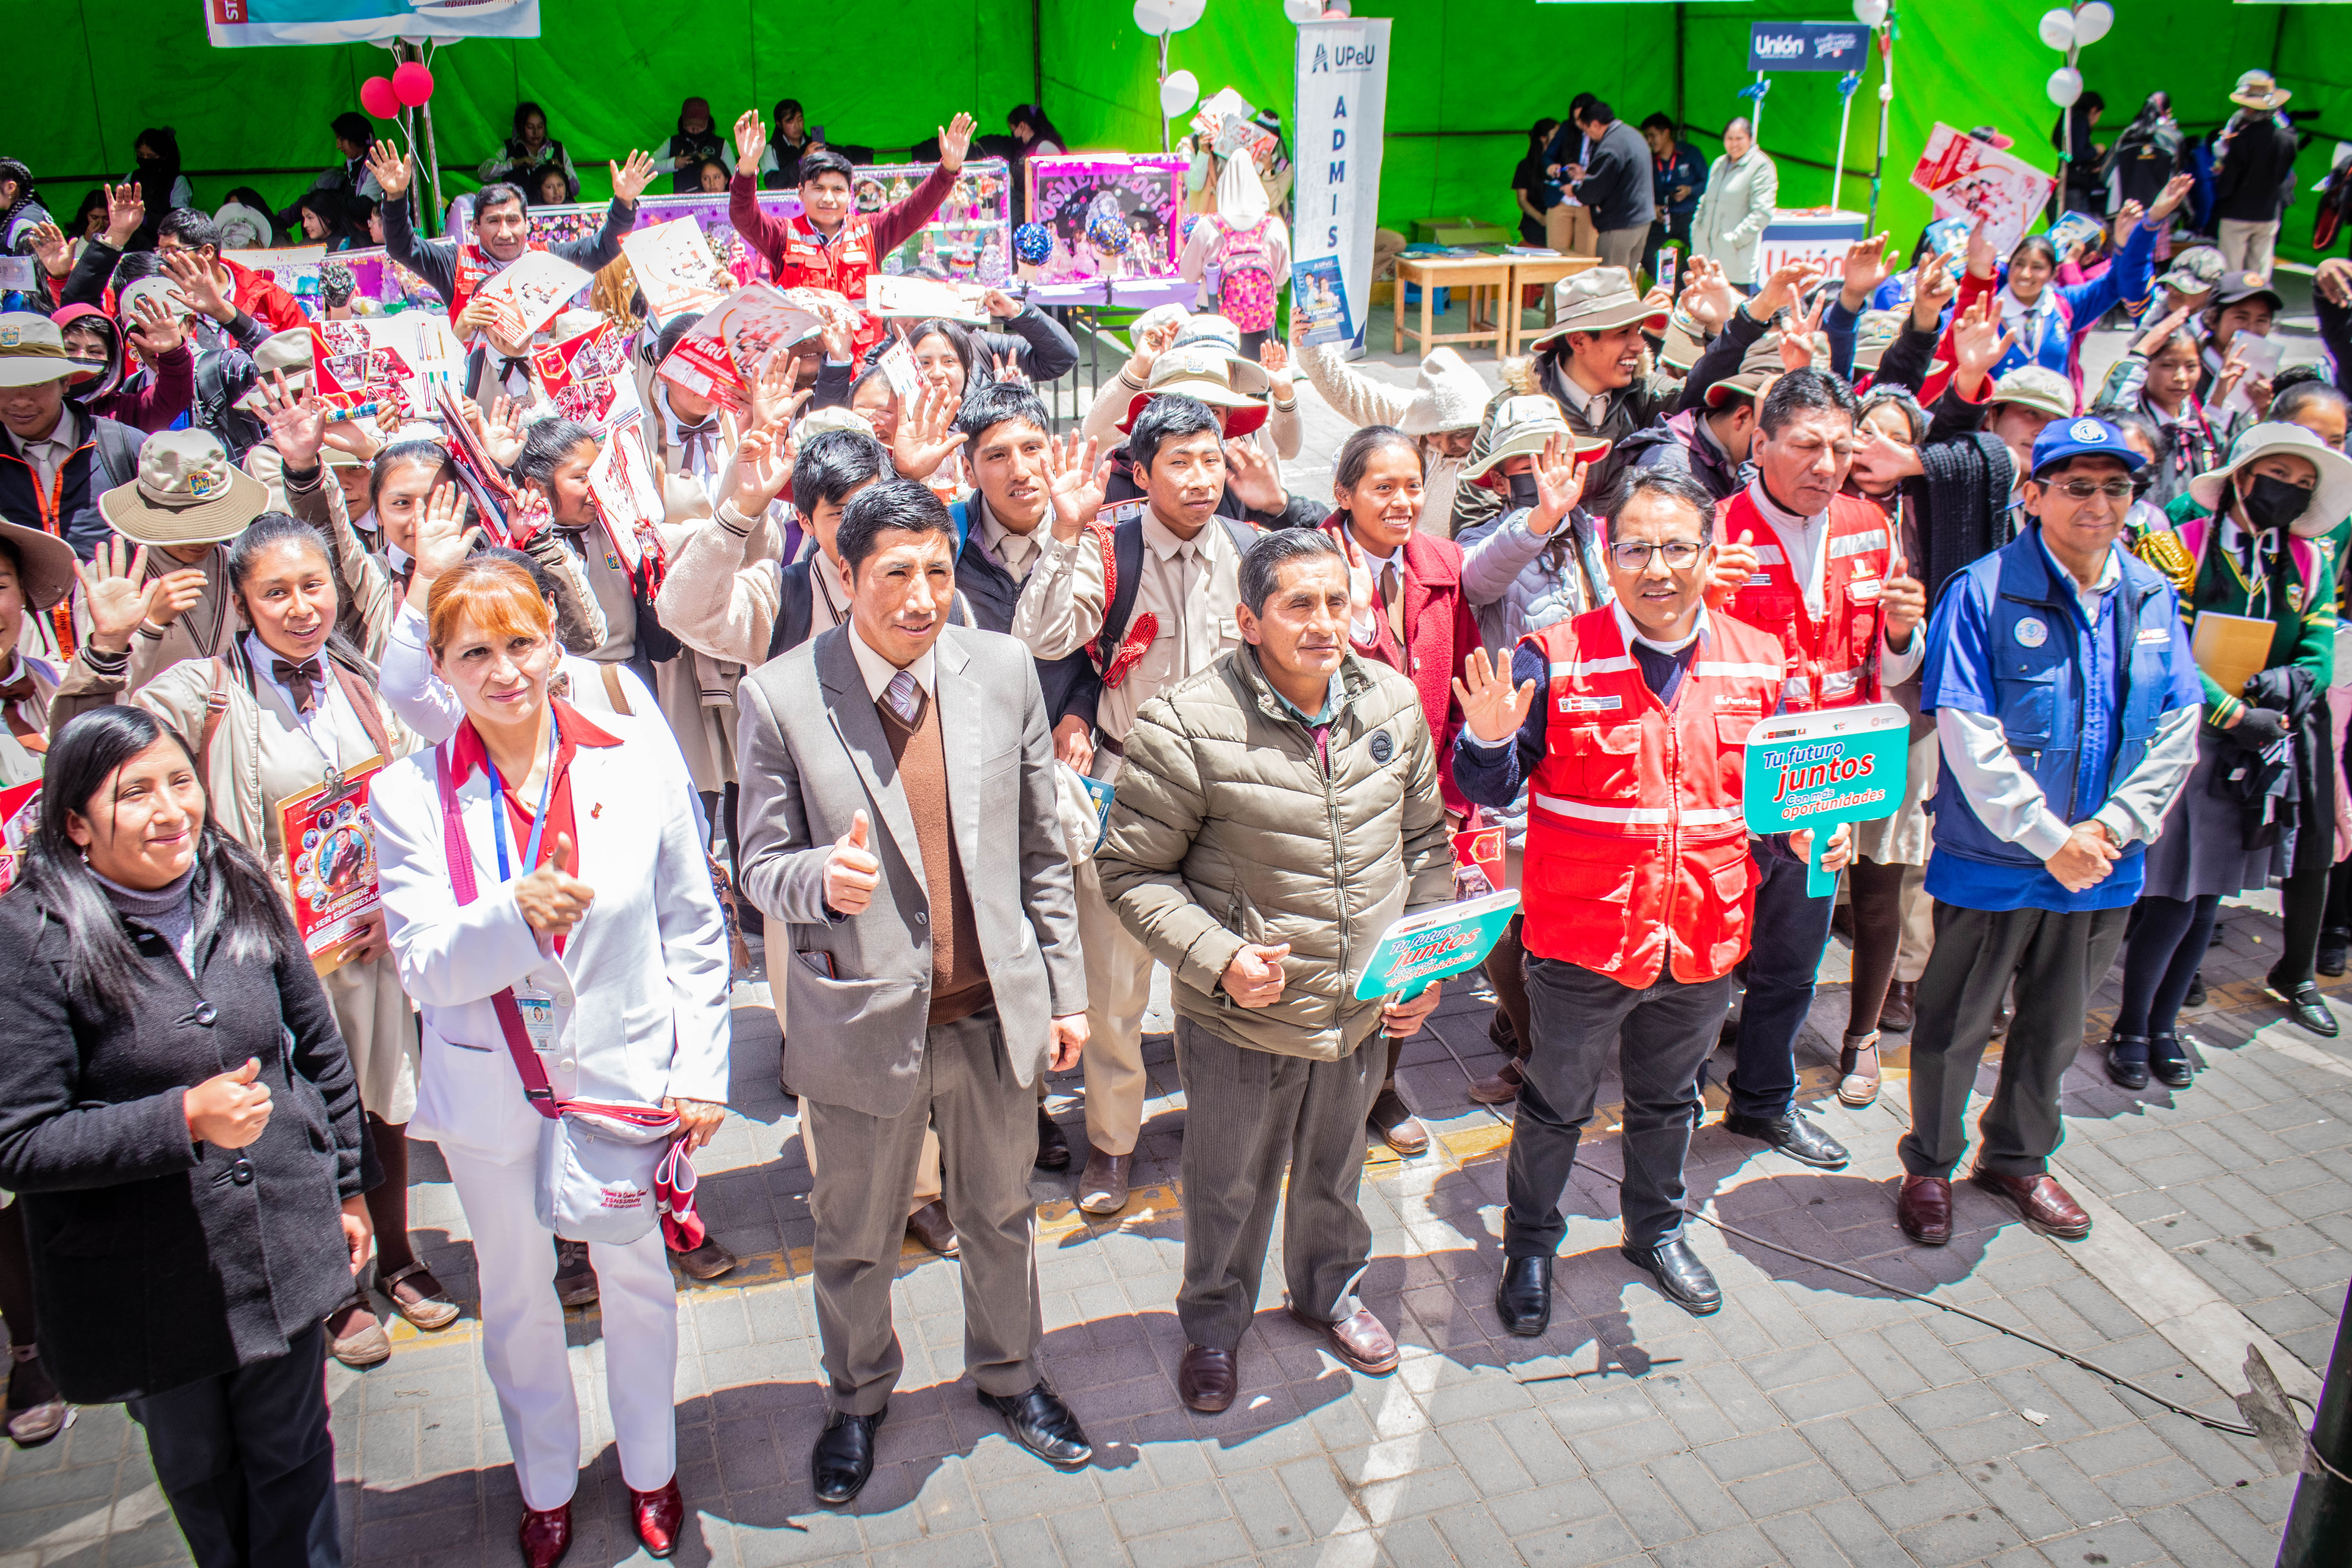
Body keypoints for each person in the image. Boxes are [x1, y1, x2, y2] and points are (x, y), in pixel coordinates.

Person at [61, 427, 459, 1370]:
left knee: (383, 1103)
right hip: (266, 951)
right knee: (296, 1114)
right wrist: (108, 650)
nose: (301, 608)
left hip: (369, 941)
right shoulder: (200, 692)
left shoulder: (361, 680)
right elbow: (85, 745)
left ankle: (397, 1255)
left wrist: (398, 900)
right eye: (275, 592)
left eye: (312, 586)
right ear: (240, 600)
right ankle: (329, 1288)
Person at [735, 479, 1093, 1502]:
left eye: (939, 569)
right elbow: (758, 865)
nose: (924, 594)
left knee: (1002, 1214)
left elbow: (1038, 850)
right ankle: (856, 1398)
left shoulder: (1002, 668)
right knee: (855, 1234)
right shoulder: (783, 697)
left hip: (989, 1014)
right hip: (859, 1022)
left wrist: (1066, 993)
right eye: (897, 571)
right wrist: (818, 880)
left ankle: (1011, 1375)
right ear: (844, 574)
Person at [368, 555, 725, 1563]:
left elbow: (692, 920)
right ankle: (546, 1481)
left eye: (521, 641)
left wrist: (700, 1064)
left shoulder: (628, 752)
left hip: (620, 1078)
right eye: (475, 651)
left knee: (637, 1275)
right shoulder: (407, 794)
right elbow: (428, 967)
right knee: (518, 1294)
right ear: (439, 666)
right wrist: (511, 916)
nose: (505, 669)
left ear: (554, 642)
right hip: (491, 1091)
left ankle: (652, 1469)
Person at [1453, 464, 1847, 1324]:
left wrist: (1819, 831)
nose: (1657, 567)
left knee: (1673, 1098)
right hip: (1582, 939)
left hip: (1704, 934)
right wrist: (1484, 746)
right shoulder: (1551, 655)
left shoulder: (1762, 660)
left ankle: (1655, 1229)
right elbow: (1489, 785)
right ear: (1608, 549)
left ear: (1711, 553)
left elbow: (1784, 808)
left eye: (1677, 547)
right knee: (1555, 1105)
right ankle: (1529, 1244)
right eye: (1636, 547)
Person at [0, 705, 371, 1564]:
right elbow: (20, 1139)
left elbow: (316, 1045)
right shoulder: (31, 936)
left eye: (180, 781)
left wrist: (348, 1184)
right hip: (147, 1282)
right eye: (135, 793)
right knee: (202, 1472)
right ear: (75, 823)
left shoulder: (234, 879)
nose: (172, 809)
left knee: (295, 1459)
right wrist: (180, 1121)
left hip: (280, 1241)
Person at [1098, 527, 1450, 1407]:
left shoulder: (1395, 705)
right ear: (1249, 621)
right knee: (1227, 1186)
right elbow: (1129, 870)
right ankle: (1215, 1328)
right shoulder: (1183, 723)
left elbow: (1427, 846)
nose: (1324, 622)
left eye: (1337, 602)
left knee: (1336, 1171)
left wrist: (1424, 960)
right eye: (1299, 604)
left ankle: (1328, 1292)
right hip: (1238, 1021)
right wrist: (1220, 957)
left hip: (1361, 1007)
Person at [1897, 417, 2201, 1247]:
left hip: (2101, 863)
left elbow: (2179, 724)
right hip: (1995, 862)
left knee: (2056, 1027)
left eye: (2115, 486)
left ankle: (2019, 1157)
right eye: (2077, 485)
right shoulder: (1983, 589)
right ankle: (1929, 1161)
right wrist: (2046, 836)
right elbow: (1967, 730)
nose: (2098, 503)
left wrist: (2109, 828)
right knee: (1954, 1024)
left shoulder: (2151, 594)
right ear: (2032, 497)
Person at [1008, 396, 1261, 1216]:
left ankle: (1221, 1131)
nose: (1200, 478)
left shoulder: (1254, 553)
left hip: (1228, 803)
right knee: (1117, 989)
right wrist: (1066, 533)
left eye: (1211, 460)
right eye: (1179, 462)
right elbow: (1045, 637)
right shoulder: (1108, 546)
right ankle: (1112, 1146)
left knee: (1223, 979)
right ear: (1143, 472)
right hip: (1127, 797)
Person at [1702, 370, 1927, 1165]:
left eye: (1841, 446)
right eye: (1806, 445)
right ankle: (1684, 1085)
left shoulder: (1874, 524)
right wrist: (1694, 603)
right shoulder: (1714, 532)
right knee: (1707, 960)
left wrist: (1904, 635)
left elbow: (1891, 672)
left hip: (1826, 788)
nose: (1827, 464)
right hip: (1729, 791)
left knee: (1794, 964)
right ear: (1759, 443)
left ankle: (1765, 1101)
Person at [2112, 424, 2352, 1085]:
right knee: (2171, 897)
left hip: (2260, 745)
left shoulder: (2308, 562)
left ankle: (2165, 1027)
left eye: (2304, 485)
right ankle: (2132, 1025)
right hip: (2188, 739)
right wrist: (2232, 712)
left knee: (2212, 895)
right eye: (2280, 476)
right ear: (2243, 476)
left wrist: (2295, 685)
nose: (2291, 493)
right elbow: (2169, 647)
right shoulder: (2183, 546)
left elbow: (2320, 649)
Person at [730, 109, 975, 362]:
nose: (828, 198)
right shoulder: (783, 235)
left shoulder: (870, 230)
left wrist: (949, 168)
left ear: (850, 196)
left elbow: (915, 210)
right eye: (818, 189)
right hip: (805, 370)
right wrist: (747, 168)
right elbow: (743, 216)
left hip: (864, 368)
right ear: (801, 192)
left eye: (838, 190)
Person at [368, 140, 655, 347]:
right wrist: (395, 198)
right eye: (493, 221)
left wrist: (624, 202)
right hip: (478, 394)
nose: (505, 232)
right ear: (475, 227)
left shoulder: (551, 258)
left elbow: (606, 247)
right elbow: (402, 248)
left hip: (544, 388)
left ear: (528, 225)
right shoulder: (453, 262)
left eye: (513, 221)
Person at [1289, 339, 1488, 537]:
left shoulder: (1494, 450)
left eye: (1460, 435)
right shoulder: (1412, 416)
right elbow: (1350, 392)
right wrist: (1311, 344)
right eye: (1434, 434)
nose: (1446, 445)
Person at [0, 312, 144, 566]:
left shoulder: (123, 447)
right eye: (5, 383)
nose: (20, 400)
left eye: (35, 383)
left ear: (65, 381)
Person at [154, 209, 309, 336]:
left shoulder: (269, 298)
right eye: (161, 252)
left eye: (172, 251)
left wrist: (224, 313)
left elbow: (304, 358)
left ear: (207, 252)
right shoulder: (161, 301)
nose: (165, 260)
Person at [2211, 72, 2301, 279]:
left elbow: (2228, 181)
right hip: (2268, 212)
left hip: (2237, 212)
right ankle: (2258, 306)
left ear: (2252, 108)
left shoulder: (2242, 140)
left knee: (2231, 271)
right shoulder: (2289, 138)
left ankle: (2231, 308)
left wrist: (2221, 180)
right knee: (2259, 272)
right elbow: (2283, 176)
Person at [1553, 100, 1653, 276]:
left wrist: (1574, 190)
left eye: (1587, 130)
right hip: (1642, 221)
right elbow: (1618, 175)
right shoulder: (1632, 135)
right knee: (1628, 282)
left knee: (1610, 283)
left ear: (1596, 125)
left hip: (1620, 225)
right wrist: (1586, 175)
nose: (1588, 135)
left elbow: (1592, 193)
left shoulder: (1610, 147)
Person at [1690, 119, 1777, 290]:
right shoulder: (1719, 164)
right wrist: (1696, 229)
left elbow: (1762, 213)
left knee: (1732, 313)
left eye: (1739, 138)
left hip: (1734, 262)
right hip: (1704, 257)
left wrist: (1734, 241)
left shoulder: (1762, 167)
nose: (1734, 144)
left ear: (1750, 139)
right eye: (1729, 139)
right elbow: (1706, 201)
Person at [278, 111, 382, 237]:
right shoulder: (350, 168)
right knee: (310, 200)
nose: (338, 146)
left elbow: (365, 208)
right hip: (346, 233)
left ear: (356, 138)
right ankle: (279, 222)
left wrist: (329, 199)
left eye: (342, 140)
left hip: (363, 237)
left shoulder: (376, 166)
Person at [2102, 92, 2187, 218]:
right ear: (2168, 112)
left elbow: (2105, 176)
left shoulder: (2125, 137)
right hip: (2158, 216)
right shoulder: (2174, 138)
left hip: (2125, 215)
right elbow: (2179, 179)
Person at [1642, 113, 1706, 277]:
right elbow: (1640, 190)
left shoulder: (1691, 153)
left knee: (1697, 256)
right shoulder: (1648, 160)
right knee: (1647, 254)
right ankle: (1667, 289)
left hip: (1688, 217)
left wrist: (1690, 190)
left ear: (1666, 133)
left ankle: (1680, 288)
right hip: (1661, 219)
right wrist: (1652, 207)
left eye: (1652, 135)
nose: (1649, 141)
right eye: (1646, 137)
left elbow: (1708, 183)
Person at [478, 102, 578, 193]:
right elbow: (484, 174)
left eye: (540, 127)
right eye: (530, 127)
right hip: (520, 209)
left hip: (553, 210)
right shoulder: (509, 148)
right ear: (520, 128)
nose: (536, 132)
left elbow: (575, 189)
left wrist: (561, 169)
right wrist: (515, 163)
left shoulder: (557, 149)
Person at [2050, 91, 2106, 218]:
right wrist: (2095, 151)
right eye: (2099, 115)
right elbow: (2076, 155)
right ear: (2094, 110)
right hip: (2072, 186)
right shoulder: (2080, 120)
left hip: (2062, 181)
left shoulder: (2067, 118)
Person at [659, 96, 728, 194]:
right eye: (690, 126)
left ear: (708, 123)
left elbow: (733, 176)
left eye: (700, 126)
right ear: (683, 122)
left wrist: (710, 161)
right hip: (683, 201)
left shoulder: (721, 143)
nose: (695, 130)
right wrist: (673, 164)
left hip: (715, 201)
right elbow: (649, 167)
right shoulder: (673, 142)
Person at [1513, 120, 1561, 248]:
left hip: (1559, 222)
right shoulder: (1525, 166)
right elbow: (1522, 200)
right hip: (1535, 225)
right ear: (1543, 138)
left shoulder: (1560, 165)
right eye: (1556, 134)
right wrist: (1541, 218)